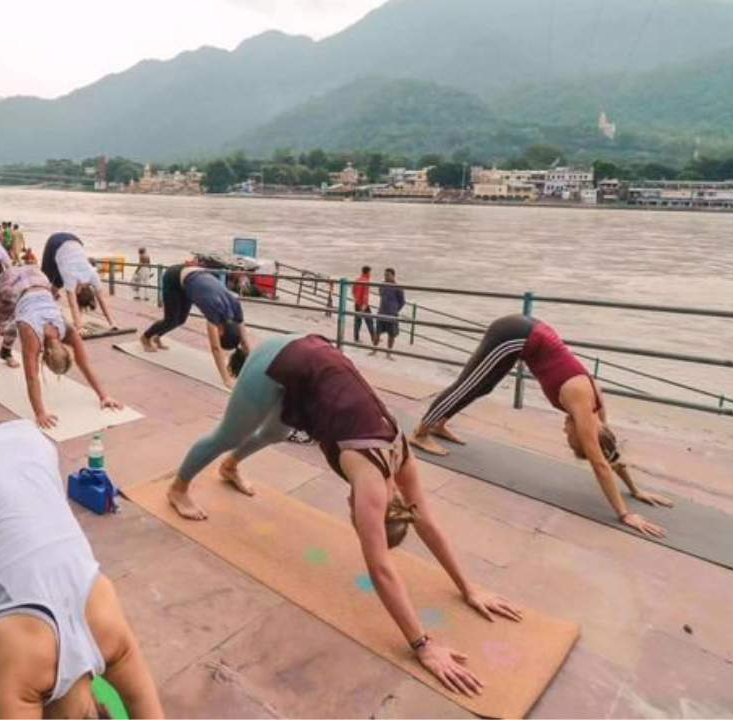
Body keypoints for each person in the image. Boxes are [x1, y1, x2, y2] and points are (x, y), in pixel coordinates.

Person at [167, 333, 521, 697]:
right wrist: (423, 645)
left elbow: (427, 522)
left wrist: (469, 589)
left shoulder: (399, 456)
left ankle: (230, 468)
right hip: (279, 359)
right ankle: (178, 488)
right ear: (366, 512)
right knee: (228, 432)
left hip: (315, 356)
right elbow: (380, 567)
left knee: (275, 430)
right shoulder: (370, 481)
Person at [0, 420, 164, 717]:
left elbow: (146, 707)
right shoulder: (25, 680)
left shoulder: (114, 645)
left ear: (100, 707)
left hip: (25, 442)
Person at [409, 314, 674, 537]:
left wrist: (636, 490)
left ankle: (439, 423)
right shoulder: (583, 410)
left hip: (528, 338)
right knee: (468, 383)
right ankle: (421, 432)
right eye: (571, 440)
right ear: (583, 436)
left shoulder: (598, 414)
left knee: (485, 385)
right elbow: (600, 464)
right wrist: (624, 514)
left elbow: (609, 453)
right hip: (515, 334)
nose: (564, 433)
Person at [0, 264, 120, 428]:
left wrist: (104, 396)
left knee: (14, 323)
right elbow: (32, 378)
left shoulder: (67, 329)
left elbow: (83, 363)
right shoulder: (33, 335)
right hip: (13, 284)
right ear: (44, 358)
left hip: (39, 277)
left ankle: (4, 351)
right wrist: (40, 413)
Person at [140, 263, 249, 388]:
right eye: (219, 336)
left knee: (180, 320)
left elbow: (245, 342)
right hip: (174, 277)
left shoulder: (236, 307)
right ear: (222, 332)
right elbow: (215, 348)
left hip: (192, 281)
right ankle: (146, 338)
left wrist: (254, 371)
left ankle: (157, 337)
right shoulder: (213, 309)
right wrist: (226, 380)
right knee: (171, 319)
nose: (217, 335)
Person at [40, 233, 118, 331]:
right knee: (45, 278)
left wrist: (112, 323)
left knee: (59, 281)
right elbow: (73, 304)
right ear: (78, 291)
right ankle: (43, 306)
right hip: (54, 243)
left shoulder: (92, 274)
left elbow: (101, 300)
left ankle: (51, 304)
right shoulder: (72, 278)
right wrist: (79, 328)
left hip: (75, 240)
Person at [371, 268, 406, 358]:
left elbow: (402, 301)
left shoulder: (398, 287)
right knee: (377, 332)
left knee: (391, 334)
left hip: (392, 314)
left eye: (388, 275)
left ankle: (388, 353)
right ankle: (374, 350)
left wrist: (395, 310)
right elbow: (381, 295)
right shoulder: (382, 285)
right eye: (385, 275)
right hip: (381, 312)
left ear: (393, 275)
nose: (385, 276)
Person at [352, 265, 375, 346]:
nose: (370, 274)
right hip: (363, 304)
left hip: (357, 303)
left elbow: (353, 291)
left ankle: (356, 338)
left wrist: (356, 300)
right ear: (368, 272)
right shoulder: (366, 281)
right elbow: (365, 294)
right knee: (369, 321)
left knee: (357, 321)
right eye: (370, 272)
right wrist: (364, 304)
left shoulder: (357, 279)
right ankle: (374, 337)